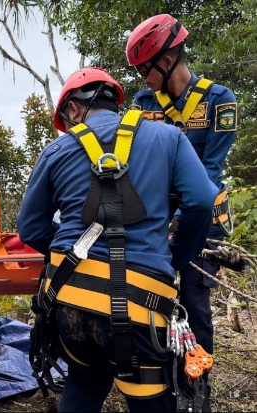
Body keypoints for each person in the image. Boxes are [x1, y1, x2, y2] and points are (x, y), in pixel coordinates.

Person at [17, 67, 217, 411]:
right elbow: (201, 201)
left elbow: (31, 228)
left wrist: (72, 252)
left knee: (84, 378)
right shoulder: (169, 138)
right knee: (149, 393)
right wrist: (175, 258)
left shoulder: (56, 150)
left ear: (75, 109)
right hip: (143, 304)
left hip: (68, 301)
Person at [126, 14, 237, 405]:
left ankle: (196, 386)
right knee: (149, 296)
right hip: (156, 220)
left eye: (145, 68)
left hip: (202, 219)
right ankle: (157, 377)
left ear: (168, 60)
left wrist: (179, 219)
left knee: (194, 303)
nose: (142, 77)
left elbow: (209, 170)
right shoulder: (142, 104)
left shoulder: (220, 100)